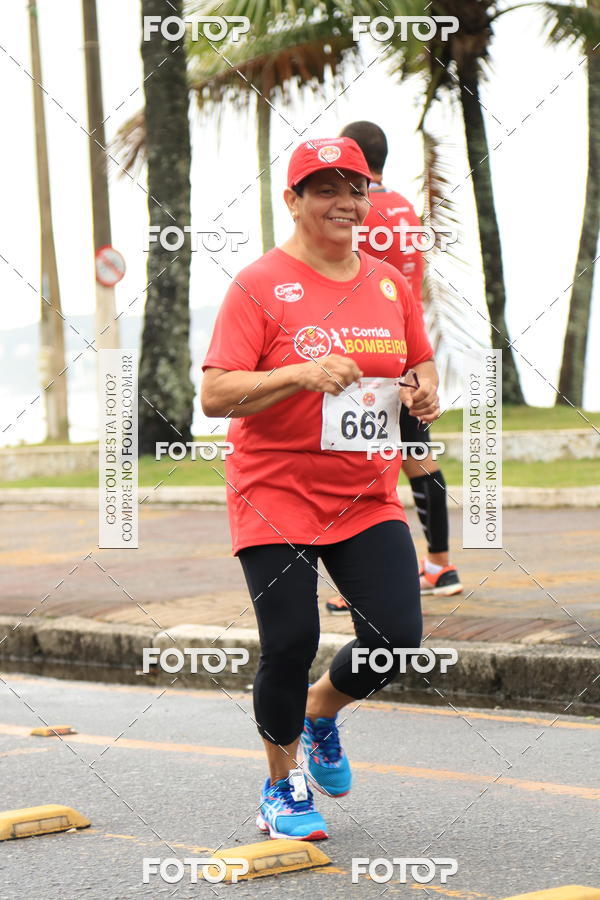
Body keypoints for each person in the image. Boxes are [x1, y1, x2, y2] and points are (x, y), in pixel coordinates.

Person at [201, 136, 440, 841]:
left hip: (365, 493)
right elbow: (215, 393)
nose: (347, 202)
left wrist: (425, 389)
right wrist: (297, 375)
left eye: (357, 189)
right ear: (294, 200)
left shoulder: (391, 283)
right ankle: (281, 787)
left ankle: (321, 710)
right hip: (273, 491)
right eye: (327, 188)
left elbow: (420, 363)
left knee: (396, 638)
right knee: (291, 639)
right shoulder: (258, 285)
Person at [320, 121, 462, 615]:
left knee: (360, 460)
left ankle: (362, 584)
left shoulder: (356, 211)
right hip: (410, 345)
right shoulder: (403, 207)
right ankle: (441, 563)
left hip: (369, 347)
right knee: (419, 457)